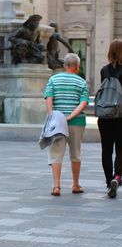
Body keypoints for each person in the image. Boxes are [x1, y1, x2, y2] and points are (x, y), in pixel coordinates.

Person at [44, 53, 89, 196]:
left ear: (64, 66)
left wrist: (52, 115)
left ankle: (56, 186)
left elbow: (49, 98)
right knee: (75, 154)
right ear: (77, 67)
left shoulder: (53, 79)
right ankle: (75, 185)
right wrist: (70, 116)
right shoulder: (82, 82)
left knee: (56, 154)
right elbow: (83, 103)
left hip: (57, 122)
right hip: (77, 122)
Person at [98, 39, 122, 198]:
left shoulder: (104, 70)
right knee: (121, 149)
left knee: (106, 150)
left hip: (105, 115)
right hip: (121, 116)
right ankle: (117, 177)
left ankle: (108, 182)